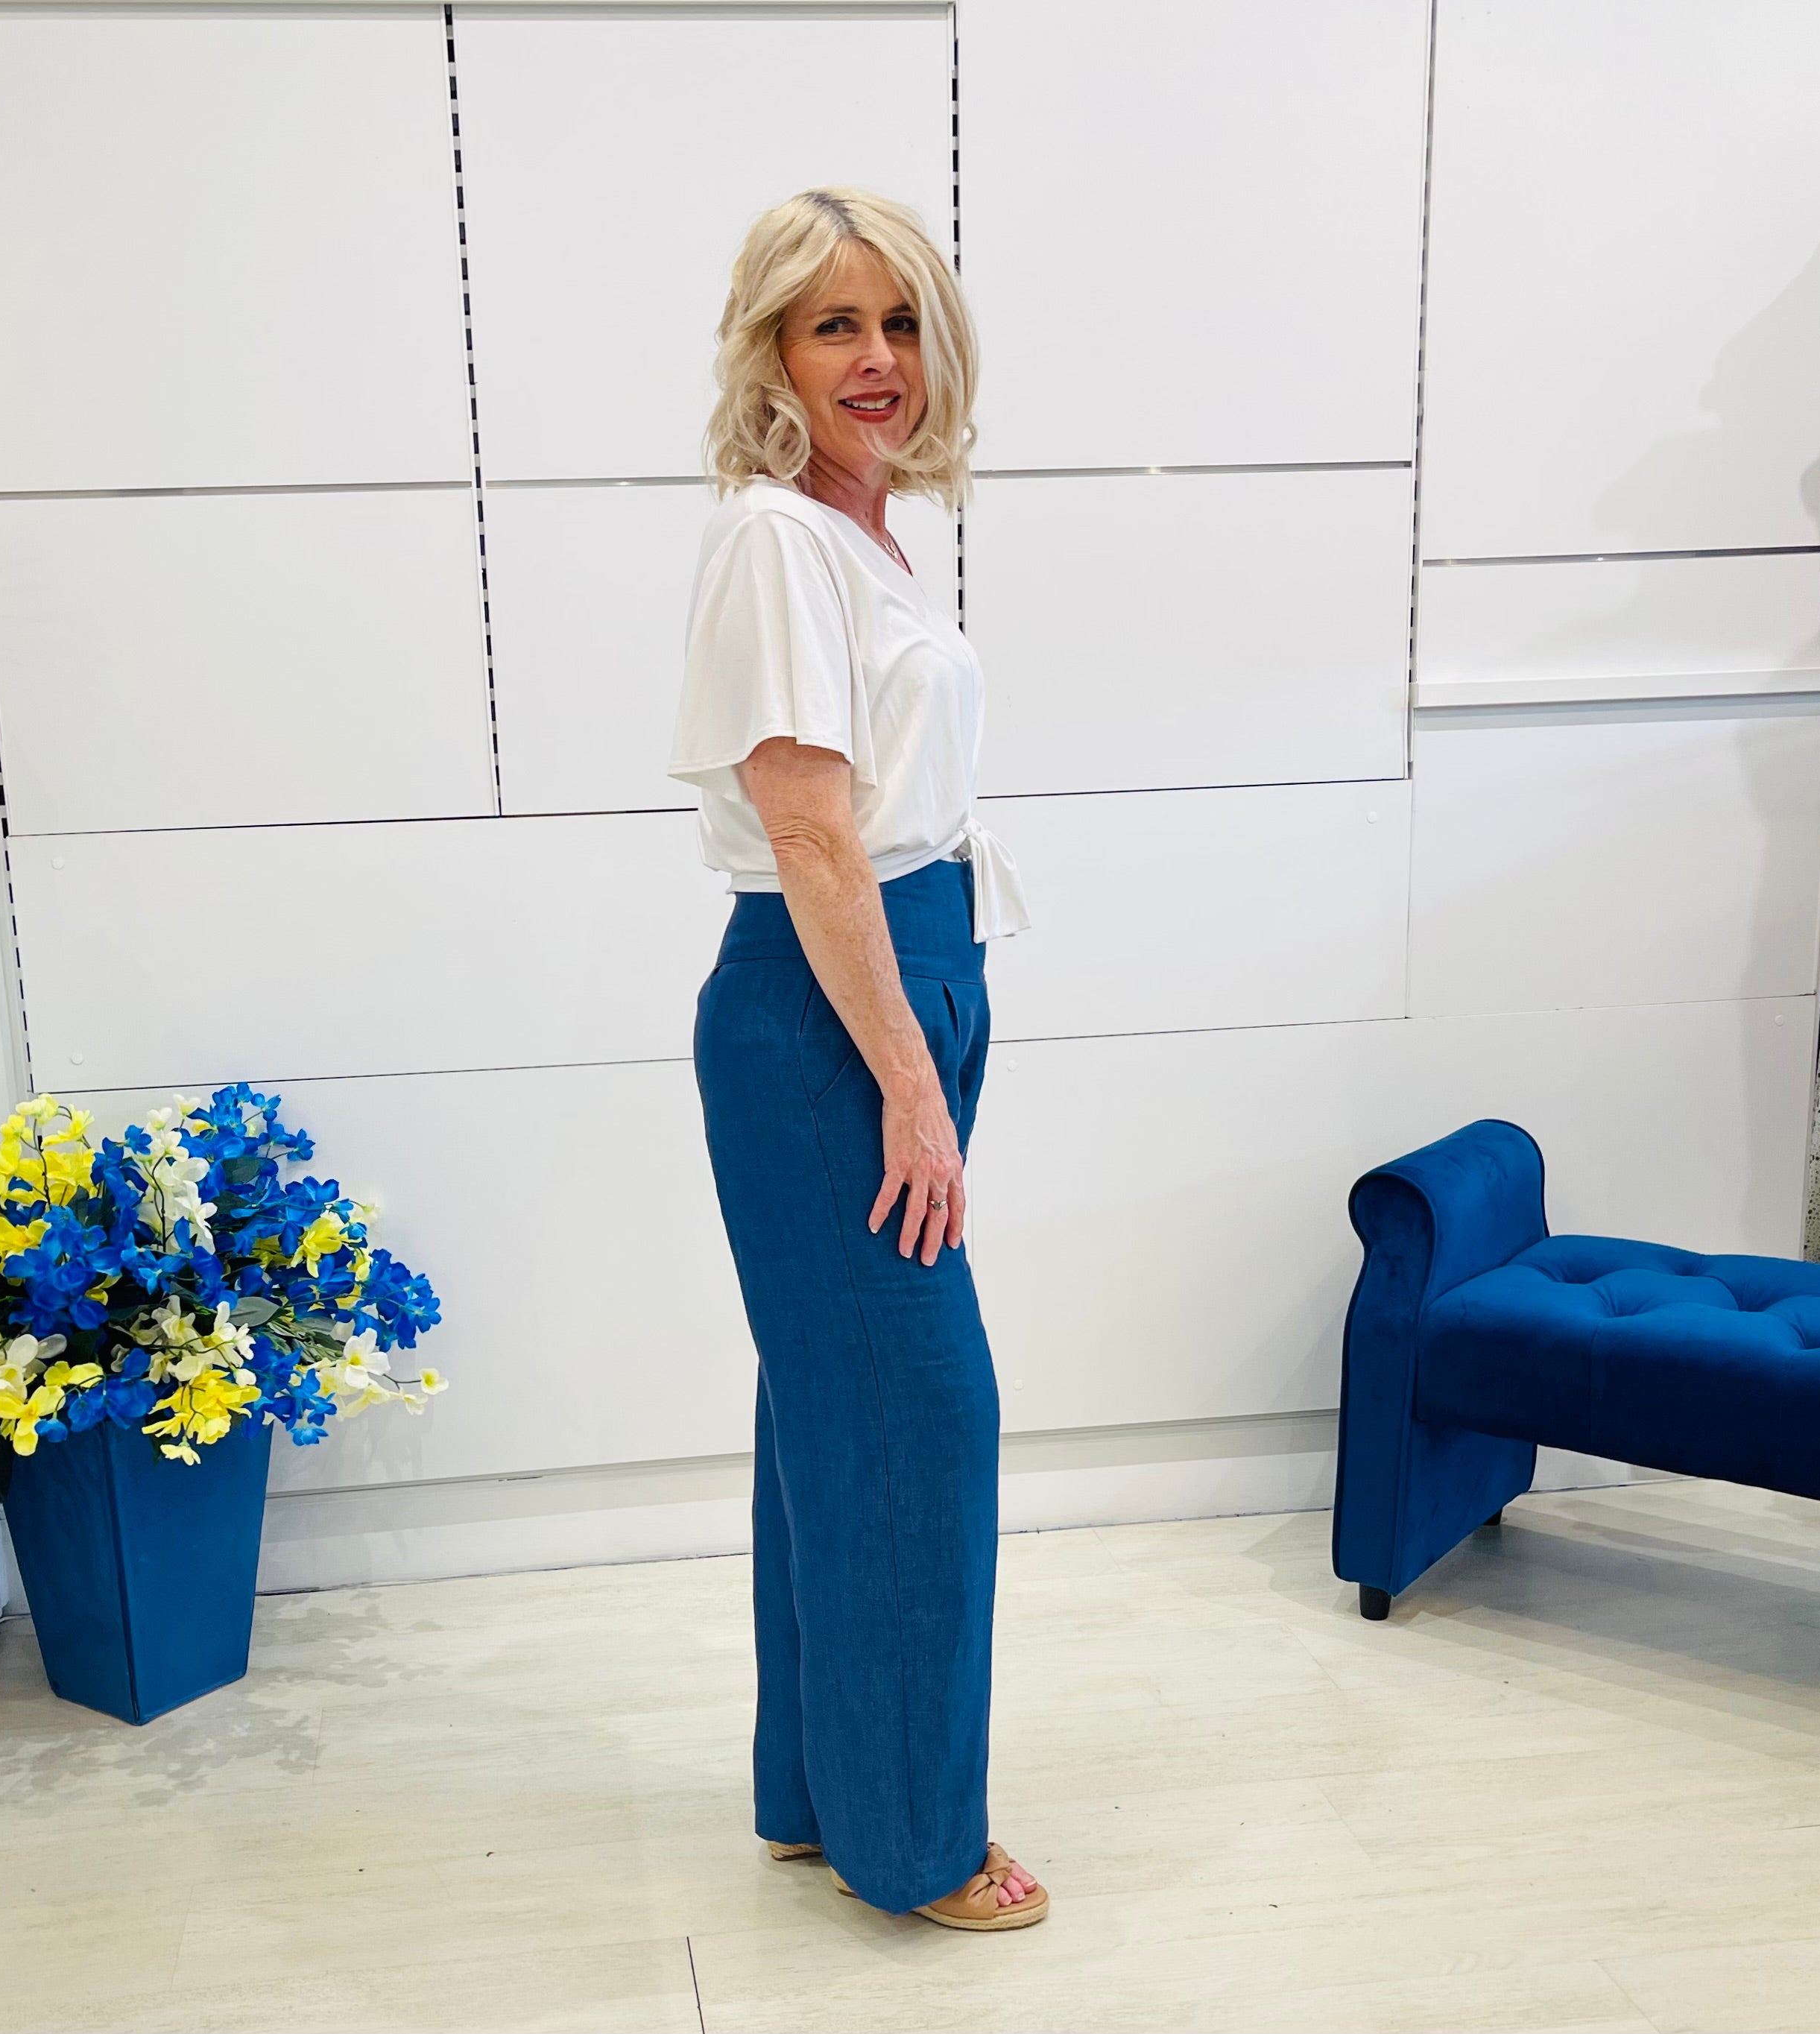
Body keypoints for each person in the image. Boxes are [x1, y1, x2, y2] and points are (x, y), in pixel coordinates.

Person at [668, 186, 1045, 1932]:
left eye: (900, 323)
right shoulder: (776, 539)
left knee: (836, 1401)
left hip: (904, 985)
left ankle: (821, 1796)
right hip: (835, 1014)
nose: (876, 358)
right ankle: (916, 1846)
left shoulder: (865, 534)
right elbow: (810, 833)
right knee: (920, 1412)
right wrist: (905, 1081)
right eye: (835, 326)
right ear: (774, 354)